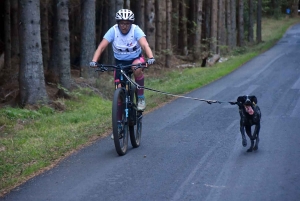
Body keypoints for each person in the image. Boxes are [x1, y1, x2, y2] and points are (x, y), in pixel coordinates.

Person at [90, 9, 155, 112]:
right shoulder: (113, 31)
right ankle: (119, 124)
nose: (124, 26)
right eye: (122, 23)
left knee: (136, 67)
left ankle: (141, 97)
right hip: (120, 63)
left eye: (127, 23)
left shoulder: (135, 30)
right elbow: (101, 47)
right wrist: (94, 60)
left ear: (131, 23)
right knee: (118, 91)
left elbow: (144, 44)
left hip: (136, 59)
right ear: (118, 23)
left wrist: (150, 57)